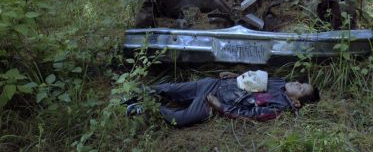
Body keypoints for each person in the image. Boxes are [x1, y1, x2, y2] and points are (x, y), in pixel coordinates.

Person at [126, 72, 320, 127]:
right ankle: (137, 93)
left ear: (296, 103)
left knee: (181, 118)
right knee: (171, 90)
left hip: (211, 102)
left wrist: (218, 105)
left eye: (301, 88)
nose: (296, 83)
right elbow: (253, 80)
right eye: (300, 82)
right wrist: (234, 75)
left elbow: (249, 115)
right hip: (214, 84)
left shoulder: (277, 107)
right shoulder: (280, 82)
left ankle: (143, 107)